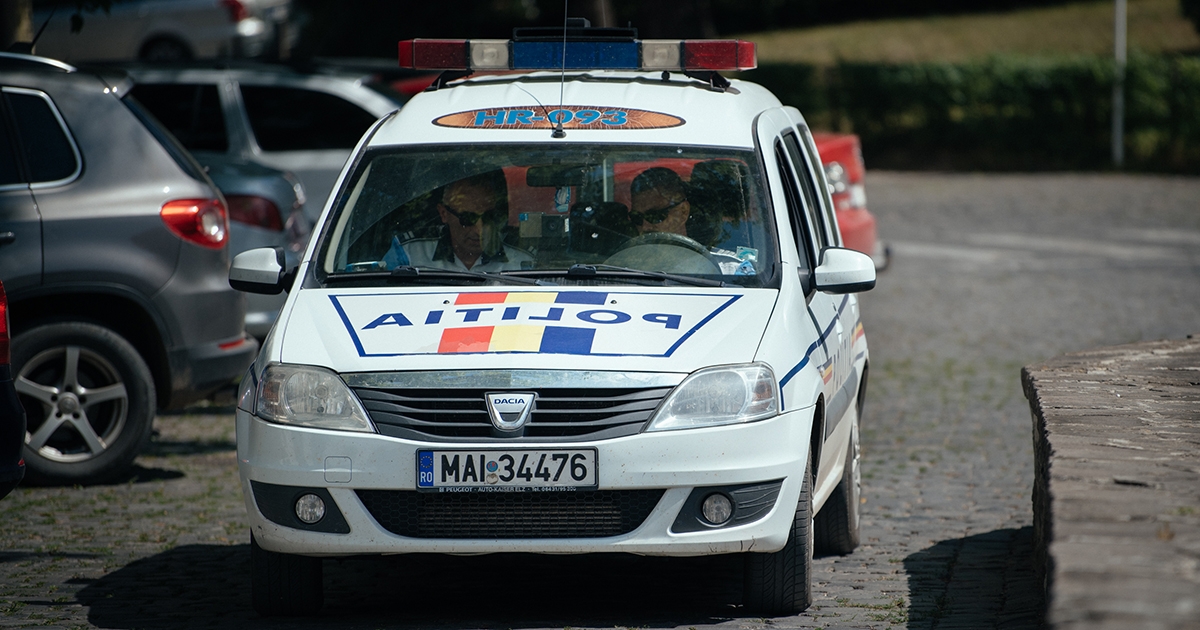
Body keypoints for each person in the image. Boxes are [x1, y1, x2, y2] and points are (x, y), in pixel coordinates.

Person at [383, 171, 532, 271]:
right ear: (444, 213)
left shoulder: (523, 258)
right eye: (468, 218)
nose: (479, 230)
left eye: (488, 217)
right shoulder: (409, 253)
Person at [629, 167, 690, 237]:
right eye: (637, 218)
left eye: (654, 216)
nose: (645, 227)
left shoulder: (704, 246)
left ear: (683, 212)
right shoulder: (624, 247)